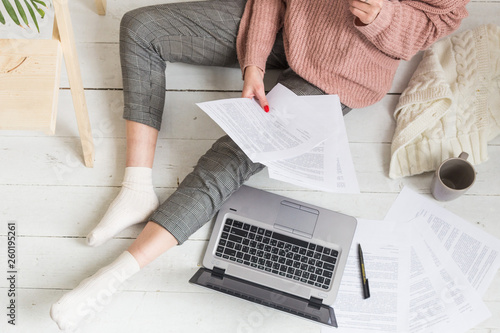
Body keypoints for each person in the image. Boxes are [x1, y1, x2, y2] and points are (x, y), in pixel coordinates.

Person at [50, 0, 469, 330]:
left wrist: (384, 16)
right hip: (285, 22)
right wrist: (253, 61)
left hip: (343, 70)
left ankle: (113, 277)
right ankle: (137, 186)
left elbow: (435, 21)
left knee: (231, 156)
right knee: (142, 28)